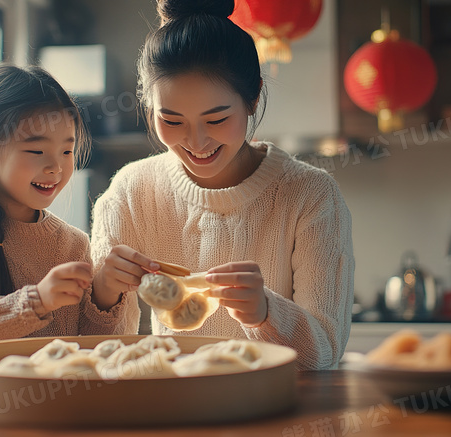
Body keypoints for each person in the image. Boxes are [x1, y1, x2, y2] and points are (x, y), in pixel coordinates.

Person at [90, 0, 354, 370]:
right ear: (149, 109)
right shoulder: (131, 193)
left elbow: (325, 351)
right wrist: (104, 293)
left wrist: (264, 312)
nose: (196, 142)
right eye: (172, 120)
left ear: (253, 99)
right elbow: (102, 354)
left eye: (216, 119)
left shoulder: (310, 195)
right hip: (172, 412)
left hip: (275, 415)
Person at [0, 64, 131, 348]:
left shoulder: (73, 243)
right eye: (37, 151)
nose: (56, 167)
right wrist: (38, 300)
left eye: (67, 151)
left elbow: (94, 346)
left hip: (59, 392)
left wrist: (106, 291)